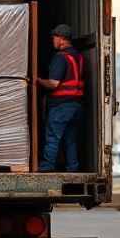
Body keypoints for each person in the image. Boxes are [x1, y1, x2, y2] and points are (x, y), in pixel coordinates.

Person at [37, 24, 84, 172]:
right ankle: (73, 169)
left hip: (61, 106)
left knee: (52, 138)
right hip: (76, 106)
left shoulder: (60, 58)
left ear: (62, 39)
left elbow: (53, 84)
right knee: (70, 140)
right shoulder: (79, 57)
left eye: (55, 37)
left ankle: (46, 168)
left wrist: (37, 80)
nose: (53, 40)